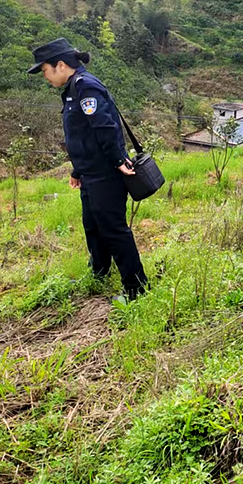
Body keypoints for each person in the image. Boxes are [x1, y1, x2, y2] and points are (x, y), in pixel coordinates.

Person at [28, 38, 148, 300]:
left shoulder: (86, 87)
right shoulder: (72, 89)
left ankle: (136, 288)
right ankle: (99, 271)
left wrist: (118, 161)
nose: (45, 76)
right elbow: (82, 136)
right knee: (92, 226)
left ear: (60, 65)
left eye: (45, 70)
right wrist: (77, 170)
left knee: (114, 230)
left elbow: (104, 128)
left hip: (106, 173)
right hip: (91, 173)